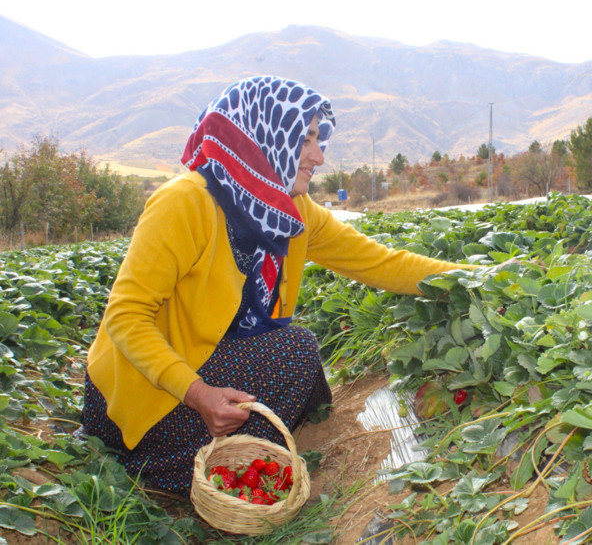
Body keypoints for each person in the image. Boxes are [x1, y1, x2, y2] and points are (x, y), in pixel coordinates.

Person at [81, 75, 474, 496]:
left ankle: (234, 462)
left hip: (206, 361)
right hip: (137, 393)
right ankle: (157, 471)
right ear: (261, 138)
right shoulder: (186, 202)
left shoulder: (291, 210)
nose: (318, 156)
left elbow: (381, 262)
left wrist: (475, 277)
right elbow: (126, 317)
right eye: (305, 140)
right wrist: (197, 394)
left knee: (304, 372)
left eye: (319, 141)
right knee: (295, 352)